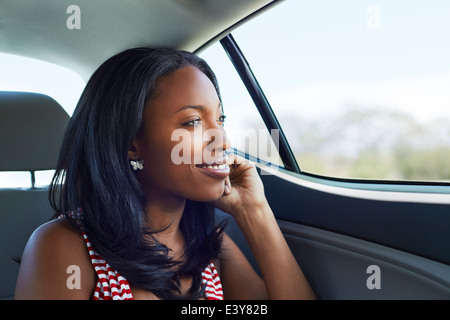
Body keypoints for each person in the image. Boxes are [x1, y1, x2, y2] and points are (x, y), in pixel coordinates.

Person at [14, 48, 315, 300]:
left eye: (220, 118)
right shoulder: (65, 245)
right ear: (132, 143)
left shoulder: (210, 249)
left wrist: (254, 212)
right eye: (193, 121)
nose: (223, 140)